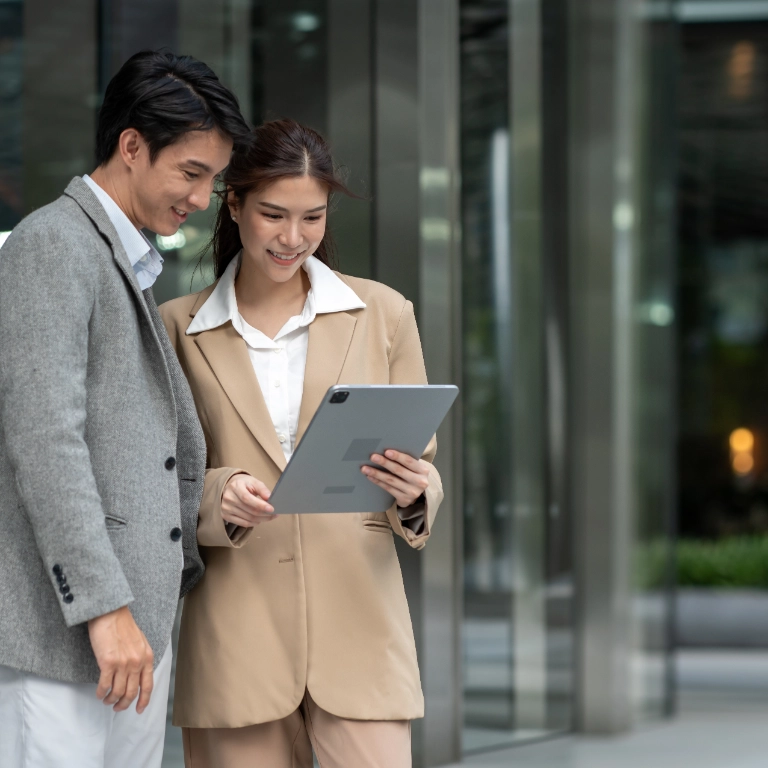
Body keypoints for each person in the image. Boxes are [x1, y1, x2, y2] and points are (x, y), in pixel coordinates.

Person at [159, 118, 444, 768]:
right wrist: (217, 495)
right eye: (273, 215)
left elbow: (421, 464)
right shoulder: (176, 328)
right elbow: (154, 473)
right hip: (236, 637)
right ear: (234, 205)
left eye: (312, 217)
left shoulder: (385, 314)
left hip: (361, 630)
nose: (293, 238)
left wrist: (415, 492)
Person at [0, 50, 250, 768]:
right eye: (191, 173)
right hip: (69, 635)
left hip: (133, 634)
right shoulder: (52, 245)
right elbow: (46, 441)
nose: (201, 198)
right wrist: (104, 608)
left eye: (212, 180)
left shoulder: (122, 255)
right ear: (132, 146)